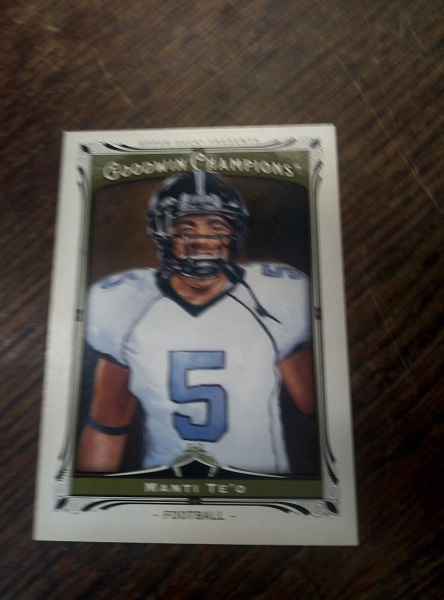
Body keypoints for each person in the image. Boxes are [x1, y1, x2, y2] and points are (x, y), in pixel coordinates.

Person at [76, 170, 315, 475]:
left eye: (217, 226)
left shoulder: (273, 299)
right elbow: (107, 424)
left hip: (259, 483)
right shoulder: (127, 303)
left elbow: (317, 414)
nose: (202, 240)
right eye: (186, 227)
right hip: (167, 485)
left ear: (236, 233)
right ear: (163, 233)